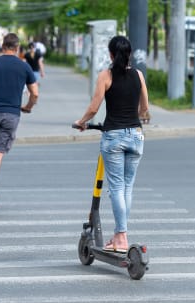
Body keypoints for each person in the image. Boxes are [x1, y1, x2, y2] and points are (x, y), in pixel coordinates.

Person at [74, 35, 149, 252]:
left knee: (116, 187)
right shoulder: (138, 75)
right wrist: (132, 116)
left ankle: (122, 237)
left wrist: (81, 122)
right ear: (129, 54)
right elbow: (144, 107)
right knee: (127, 187)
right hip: (136, 135)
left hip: (114, 136)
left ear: (111, 54)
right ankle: (118, 235)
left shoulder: (106, 76)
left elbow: (94, 107)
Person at [0, 33, 38, 207]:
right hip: (12, 114)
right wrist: (28, 107)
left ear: (2, 47)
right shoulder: (24, 66)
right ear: (17, 48)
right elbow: (35, 93)